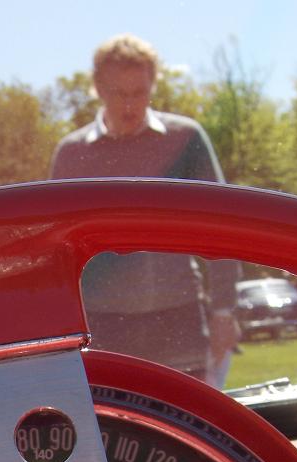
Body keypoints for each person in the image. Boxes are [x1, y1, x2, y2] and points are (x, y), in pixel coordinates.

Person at [49, 33, 240, 383]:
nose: (129, 105)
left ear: (153, 86)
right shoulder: (72, 155)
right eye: (118, 93)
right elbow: (59, 251)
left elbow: (223, 229)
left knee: (190, 426)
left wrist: (223, 310)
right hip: (102, 324)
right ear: (97, 88)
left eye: (139, 92)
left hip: (179, 316)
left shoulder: (185, 138)